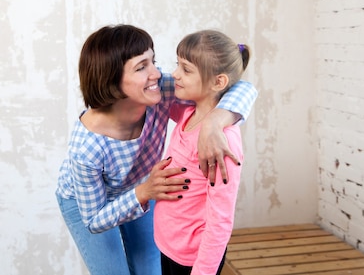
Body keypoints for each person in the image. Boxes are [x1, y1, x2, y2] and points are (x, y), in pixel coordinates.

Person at [55, 24, 258, 275]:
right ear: (111, 80)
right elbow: (94, 220)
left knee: (150, 270)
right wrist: (143, 192)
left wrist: (215, 122)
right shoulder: (85, 148)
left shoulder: (160, 92)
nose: (158, 74)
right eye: (142, 67)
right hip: (92, 204)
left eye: (153, 61)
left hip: (143, 187)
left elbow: (239, 86)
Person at [154, 30, 253, 275]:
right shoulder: (187, 113)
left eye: (186, 70)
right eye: (178, 65)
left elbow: (220, 219)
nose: (175, 74)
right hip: (168, 244)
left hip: (194, 258)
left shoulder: (222, 145)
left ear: (218, 82)